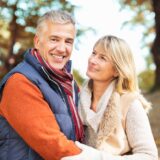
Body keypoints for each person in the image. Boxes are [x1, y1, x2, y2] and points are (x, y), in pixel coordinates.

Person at [0, 10, 84, 160]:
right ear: (37, 42)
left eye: (68, 41)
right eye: (54, 39)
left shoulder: (68, 84)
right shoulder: (21, 82)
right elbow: (53, 145)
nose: (61, 48)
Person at [61, 35, 158, 160]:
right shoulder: (76, 99)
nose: (92, 60)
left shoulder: (129, 103)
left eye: (102, 58)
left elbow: (149, 156)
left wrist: (98, 157)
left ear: (117, 70)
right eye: (94, 53)